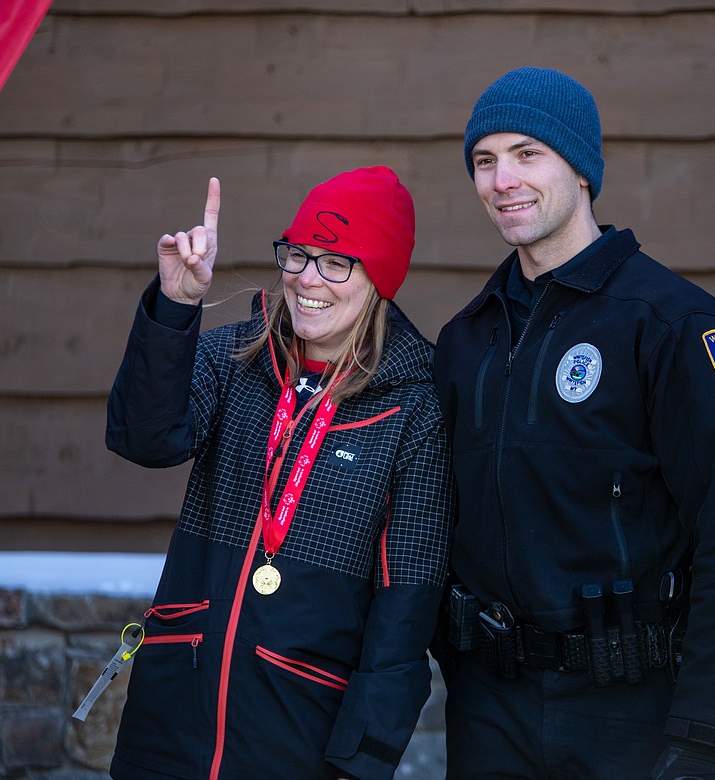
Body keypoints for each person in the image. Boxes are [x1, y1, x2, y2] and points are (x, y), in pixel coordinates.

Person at [432, 67, 715, 779]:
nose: (503, 180)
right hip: (490, 708)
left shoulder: (671, 323)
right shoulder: (467, 340)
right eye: (485, 160)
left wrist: (701, 734)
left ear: (581, 169)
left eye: (528, 154)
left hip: (630, 710)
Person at [106, 166, 453, 780]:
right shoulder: (230, 358)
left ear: (381, 279)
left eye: (337, 261)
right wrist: (175, 307)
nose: (307, 279)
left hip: (298, 738)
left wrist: (359, 764)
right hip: (169, 728)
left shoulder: (414, 409)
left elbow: (407, 610)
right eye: (298, 254)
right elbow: (145, 438)